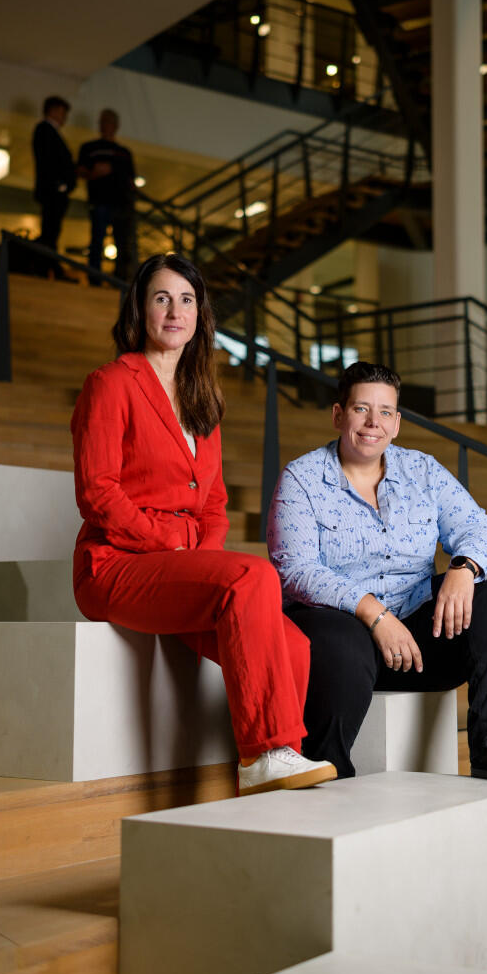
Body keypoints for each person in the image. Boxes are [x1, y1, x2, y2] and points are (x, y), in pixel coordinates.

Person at [71, 252, 336, 796]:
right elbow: (97, 492)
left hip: (178, 568)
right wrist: (170, 544)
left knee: (296, 646)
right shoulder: (110, 383)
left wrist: (198, 557)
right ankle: (263, 754)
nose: (175, 311)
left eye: (187, 300)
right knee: (253, 577)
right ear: (140, 309)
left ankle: (281, 768)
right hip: (115, 565)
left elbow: (213, 502)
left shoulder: (201, 398)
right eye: (162, 298)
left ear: (201, 315)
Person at [267, 361, 487, 786]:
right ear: (337, 415)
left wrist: (464, 567)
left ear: (398, 422)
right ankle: (327, 765)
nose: (373, 423)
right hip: (343, 638)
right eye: (361, 409)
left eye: (385, 412)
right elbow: (295, 570)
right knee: (340, 636)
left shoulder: (422, 470)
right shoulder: (303, 478)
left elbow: (481, 530)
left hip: (420, 643)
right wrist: (373, 614)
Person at [77, 109, 137, 285]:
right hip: (99, 201)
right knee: (97, 240)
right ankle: (94, 278)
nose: (106, 125)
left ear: (116, 126)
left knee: (121, 242)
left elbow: (131, 179)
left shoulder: (124, 153)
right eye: (103, 121)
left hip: (121, 203)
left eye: (109, 122)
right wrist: (94, 173)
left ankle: (119, 279)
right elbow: (80, 170)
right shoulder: (89, 148)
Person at [32, 95, 76, 280]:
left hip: (55, 191)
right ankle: (47, 269)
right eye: (62, 112)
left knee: (52, 230)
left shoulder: (50, 132)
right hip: (53, 191)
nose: (64, 116)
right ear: (53, 110)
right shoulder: (45, 130)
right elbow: (49, 161)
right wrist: (60, 185)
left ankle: (48, 268)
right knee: (50, 230)